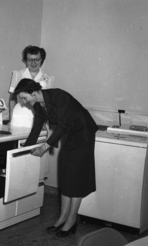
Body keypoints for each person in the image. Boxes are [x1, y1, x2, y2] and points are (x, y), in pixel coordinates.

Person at [13, 79, 98, 237]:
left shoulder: (59, 96)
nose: (24, 102)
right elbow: (37, 125)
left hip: (83, 133)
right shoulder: (38, 104)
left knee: (76, 176)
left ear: (34, 92)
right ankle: (62, 217)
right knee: (66, 173)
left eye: (25, 98)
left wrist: (44, 147)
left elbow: (63, 125)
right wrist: (27, 149)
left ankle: (71, 220)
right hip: (70, 135)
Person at [8, 45, 54, 127]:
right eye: (30, 60)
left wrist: (46, 122)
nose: (33, 63)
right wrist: (11, 119)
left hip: (39, 118)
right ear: (25, 60)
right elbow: (12, 99)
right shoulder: (17, 74)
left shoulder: (48, 78)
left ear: (41, 60)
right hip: (19, 116)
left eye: (36, 60)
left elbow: (47, 103)